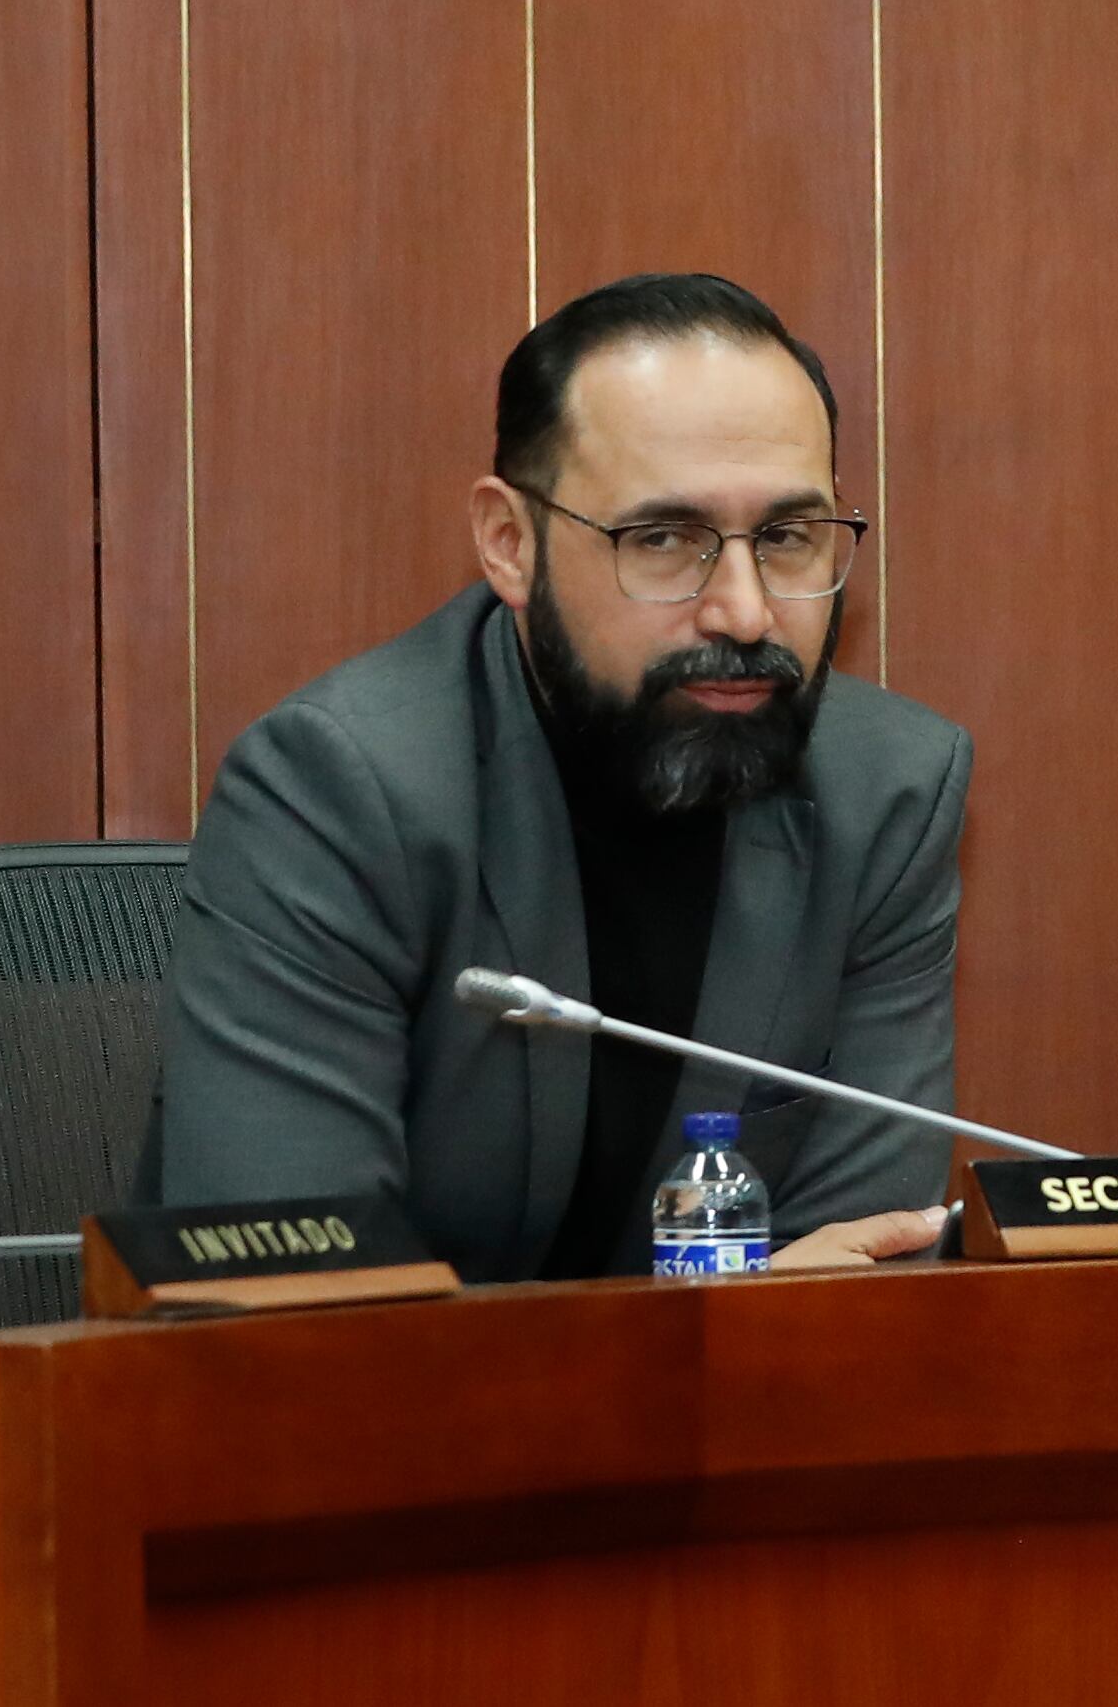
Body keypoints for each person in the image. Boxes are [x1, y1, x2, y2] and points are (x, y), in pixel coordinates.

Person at [154, 273, 966, 1277]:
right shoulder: (338, 790)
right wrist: (697, 1345)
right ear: (510, 543)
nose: (747, 613)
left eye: (790, 537)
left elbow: (864, 1277)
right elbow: (290, 1305)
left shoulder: (890, 792)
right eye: (664, 540)